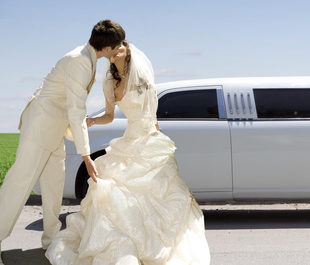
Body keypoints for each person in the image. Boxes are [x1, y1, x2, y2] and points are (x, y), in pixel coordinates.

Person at [45, 41, 210, 264]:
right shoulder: (110, 83)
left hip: (149, 140)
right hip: (130, 139)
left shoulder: (143, 79)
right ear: (110, 56)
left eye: (122, 44)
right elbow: (111, 116)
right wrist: (94, 119)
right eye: (114, 47)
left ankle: (157, 246)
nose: (119, 47)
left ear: (128, 49)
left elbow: (153, 114)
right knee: (109, 189)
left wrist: (158, 139)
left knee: (160, 193)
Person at [0, 20, 124, 264]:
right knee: (20, 182)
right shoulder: (79, 60)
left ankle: (51, 241)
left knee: (54, 183)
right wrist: (87, 156)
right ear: (108, 48)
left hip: (54, 129)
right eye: (117, 46)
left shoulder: (86, 58)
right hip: (40, 127)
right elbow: (76, 110)